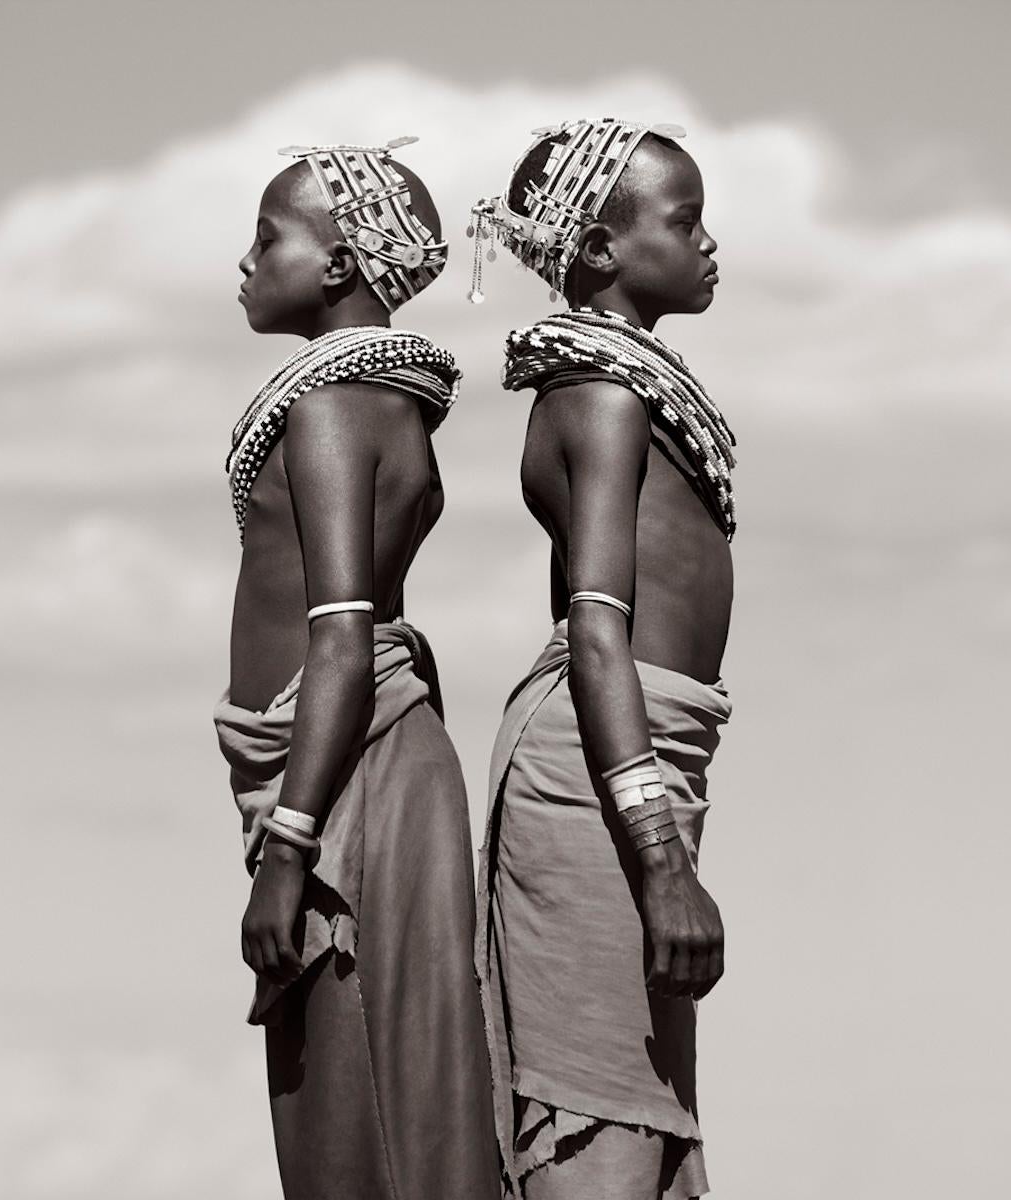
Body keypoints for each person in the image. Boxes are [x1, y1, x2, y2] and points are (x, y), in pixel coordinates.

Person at [212, 136, 496, 1200]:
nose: (244, 263)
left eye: (265, 238)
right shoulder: (386, 403)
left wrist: (290, 849)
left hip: (347, 787)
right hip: (358, 766)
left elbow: (341, 630)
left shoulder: (332, 408)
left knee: (357, 1111)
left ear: (337, 268)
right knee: (382, 1095)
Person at [466, 117, 738, 1199]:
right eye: (686, 221)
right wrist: (662, 856)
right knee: (602, 1126)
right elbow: (597, 623)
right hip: (597, 776)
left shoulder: (626, 386)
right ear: (599, 251)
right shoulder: (604, 395)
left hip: (632, 758)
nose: (710, 242)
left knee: (644, 1124)